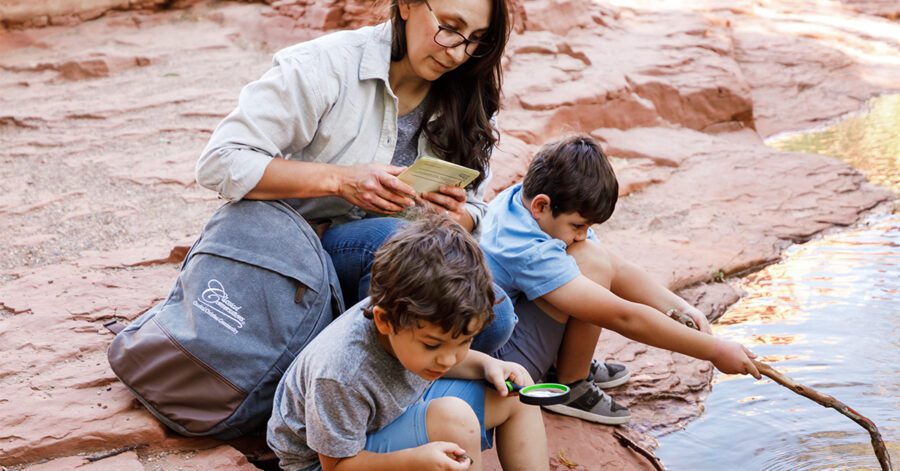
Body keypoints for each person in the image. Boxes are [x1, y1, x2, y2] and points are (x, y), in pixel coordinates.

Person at [195, 0, 516, 353]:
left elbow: (476, 207)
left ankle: (359, 356)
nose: (459, 53)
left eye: (477, 40)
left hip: (391, 275)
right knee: (393, 241)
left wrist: (460, 217)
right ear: (407, 5)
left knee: (495, 317)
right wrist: (340, 180)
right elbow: (220, 161)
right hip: (295, 256)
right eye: (451, 28)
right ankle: (364, 378)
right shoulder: (324, 65)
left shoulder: (470, 95)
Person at [479, 135, 762, 425]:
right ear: (541, 205)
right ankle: (571, 384)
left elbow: (619, 267)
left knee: (592, 257)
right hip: (505, 362)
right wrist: (714, 351)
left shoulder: (521, 201)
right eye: (578, 225)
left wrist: (678, 308)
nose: (582, 234)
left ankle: (566, 360)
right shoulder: (526, 250)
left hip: (510, 327)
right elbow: (622, 316)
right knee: (591, 265)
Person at [267, 213, 548, 470]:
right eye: (433, 345)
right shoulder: (340, 374)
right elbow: (336, 465)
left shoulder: (409, 320)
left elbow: (441, 358)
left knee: (519, 390)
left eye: (465, 341)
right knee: (456, 422)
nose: (450, 359)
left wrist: (487, 365)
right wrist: (413, 460)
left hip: (389, 415)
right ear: (384, 321)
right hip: (331, 461)